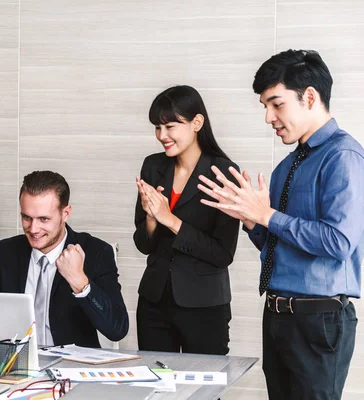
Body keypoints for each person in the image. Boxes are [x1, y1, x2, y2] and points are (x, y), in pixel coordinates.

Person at [198, 49, 364, 399]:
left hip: (318, 320)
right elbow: (277, 244)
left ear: (309, 97)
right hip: (277, 315)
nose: (268, 117)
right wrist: (251, 221)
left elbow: (339, 242)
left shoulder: (343, 156)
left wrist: (267, 216)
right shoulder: (286, 166)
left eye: (276, 104)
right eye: (264, 107)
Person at [133, 85, 240, 355]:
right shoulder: (152, 166)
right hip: (154, 302)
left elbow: (222, 253)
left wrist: (170, 220)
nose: (162, 136)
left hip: (204, 305)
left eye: (170, 126)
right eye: (157, 127)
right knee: (157, 391)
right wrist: (151, 219)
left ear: (197, 123)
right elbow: (143, 243)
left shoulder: (223, 173)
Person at [0, 171, 129, 347]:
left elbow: (117, 330)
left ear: (65, 213)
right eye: (26, 217)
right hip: (16, 364)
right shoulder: (5, 252)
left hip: (72, 367)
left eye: (43, 219)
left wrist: (80, 282)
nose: (34, 229)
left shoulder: (96, 252)